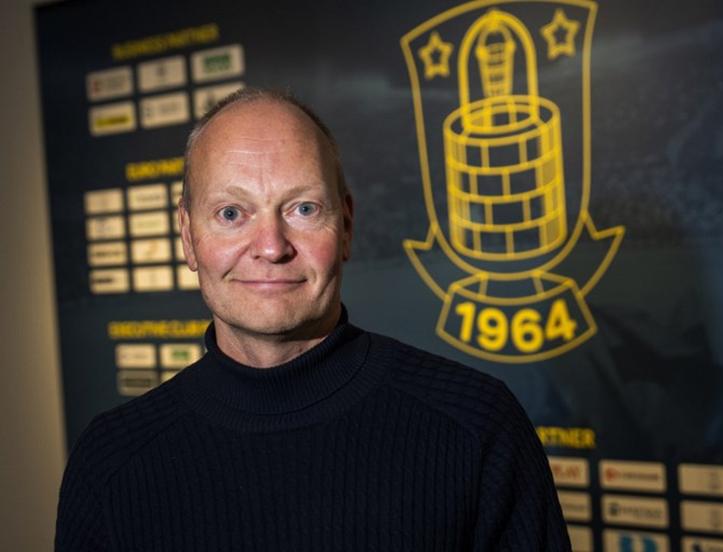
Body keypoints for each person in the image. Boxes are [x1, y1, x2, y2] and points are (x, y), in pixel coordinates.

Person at [55, 87, 571, 551]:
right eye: (231, 214)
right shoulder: (111, 461)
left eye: (302, 209)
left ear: (345, 228)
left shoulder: (478, 427)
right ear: (189, 238)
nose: (271, 247)